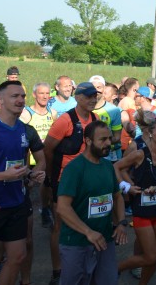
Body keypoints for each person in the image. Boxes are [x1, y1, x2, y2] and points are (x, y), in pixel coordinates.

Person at [0, 81, 46, 285]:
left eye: (22, 96)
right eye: (14, 96)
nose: (20, 100)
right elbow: (6, 171)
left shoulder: (24, 130)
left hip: (17, 202)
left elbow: (17, 165)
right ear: (0, 101)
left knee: (18, 255)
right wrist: (3, 175)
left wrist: (30, 175)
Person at [56, 120, 127, 285]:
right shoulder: (74, 169)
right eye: (102, 139)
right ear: (88, 141)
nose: (108, 143)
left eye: (109, 138)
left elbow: (117, 197)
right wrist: (88, 232)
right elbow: (62, 207)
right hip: (77, 243)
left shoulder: (108, 166)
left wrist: (122, 222)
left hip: (105, 240)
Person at [43, 81, 99, 285]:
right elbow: (48, 149)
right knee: (60, 225)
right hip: (64, 180)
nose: (93, 99)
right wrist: (51, 179)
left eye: (95, 96)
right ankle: (57, 270)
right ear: (78, 98)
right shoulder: (65, 120)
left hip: (87, 181)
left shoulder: (95, 119)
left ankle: (82, 265)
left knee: (85, 220)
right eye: (89, 96)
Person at [115, 118, 156, 283]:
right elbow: (116, 167)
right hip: (142, 210)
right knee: (150, 256)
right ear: (150, 134)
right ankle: (116, 268)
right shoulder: (140, 154)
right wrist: (127, 187)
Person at [20, 81, 57, 228]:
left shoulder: (52, 113)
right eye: (41, 93)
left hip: (46, 155)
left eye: (47, 93)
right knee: (29, 187)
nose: (45, 96)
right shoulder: (26, 113)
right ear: (34, 95)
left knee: (47, 183)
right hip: (31, 157)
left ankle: (45, 209)